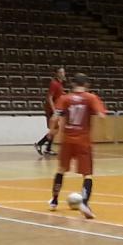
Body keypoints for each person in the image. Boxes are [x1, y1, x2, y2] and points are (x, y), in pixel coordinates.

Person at [48, 74, 107, 219]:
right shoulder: (91, 97)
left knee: (61, 170)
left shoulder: (65, 98)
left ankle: (54, 201)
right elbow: (101, 115)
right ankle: (84, 204)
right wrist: (104, 133)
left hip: (67, 139)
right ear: (86, 84)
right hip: (83, 140)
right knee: (87, 174)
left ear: (73, 84)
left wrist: (52, 130)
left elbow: (55, 117)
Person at [35, 66, 67, 156]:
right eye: (60, 72)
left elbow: (58, 95)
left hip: (56, 109)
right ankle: (40, 144)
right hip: (51, 109)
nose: (63, 74)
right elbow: (49, 97)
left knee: (55, 129)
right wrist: (54, 111)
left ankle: (47, 149)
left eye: (63, 72)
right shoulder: (54, 83)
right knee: (55, 129)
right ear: (57, 74)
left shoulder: (60, 83)